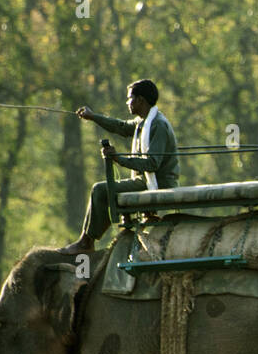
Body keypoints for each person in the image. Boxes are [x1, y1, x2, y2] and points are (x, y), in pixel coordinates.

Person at [61, 78, 179, 253]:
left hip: (156, 183)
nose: (127, 103)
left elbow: (153, 163)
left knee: (100, 190)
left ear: (140, 100)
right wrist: (93, 117)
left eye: (130, 98)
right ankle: (89, 239)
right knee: (103, 190)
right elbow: (122, 127)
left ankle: (86, 242)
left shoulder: (158, 125)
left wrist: (118, 158)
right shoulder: (144, 122)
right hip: (145, 180)